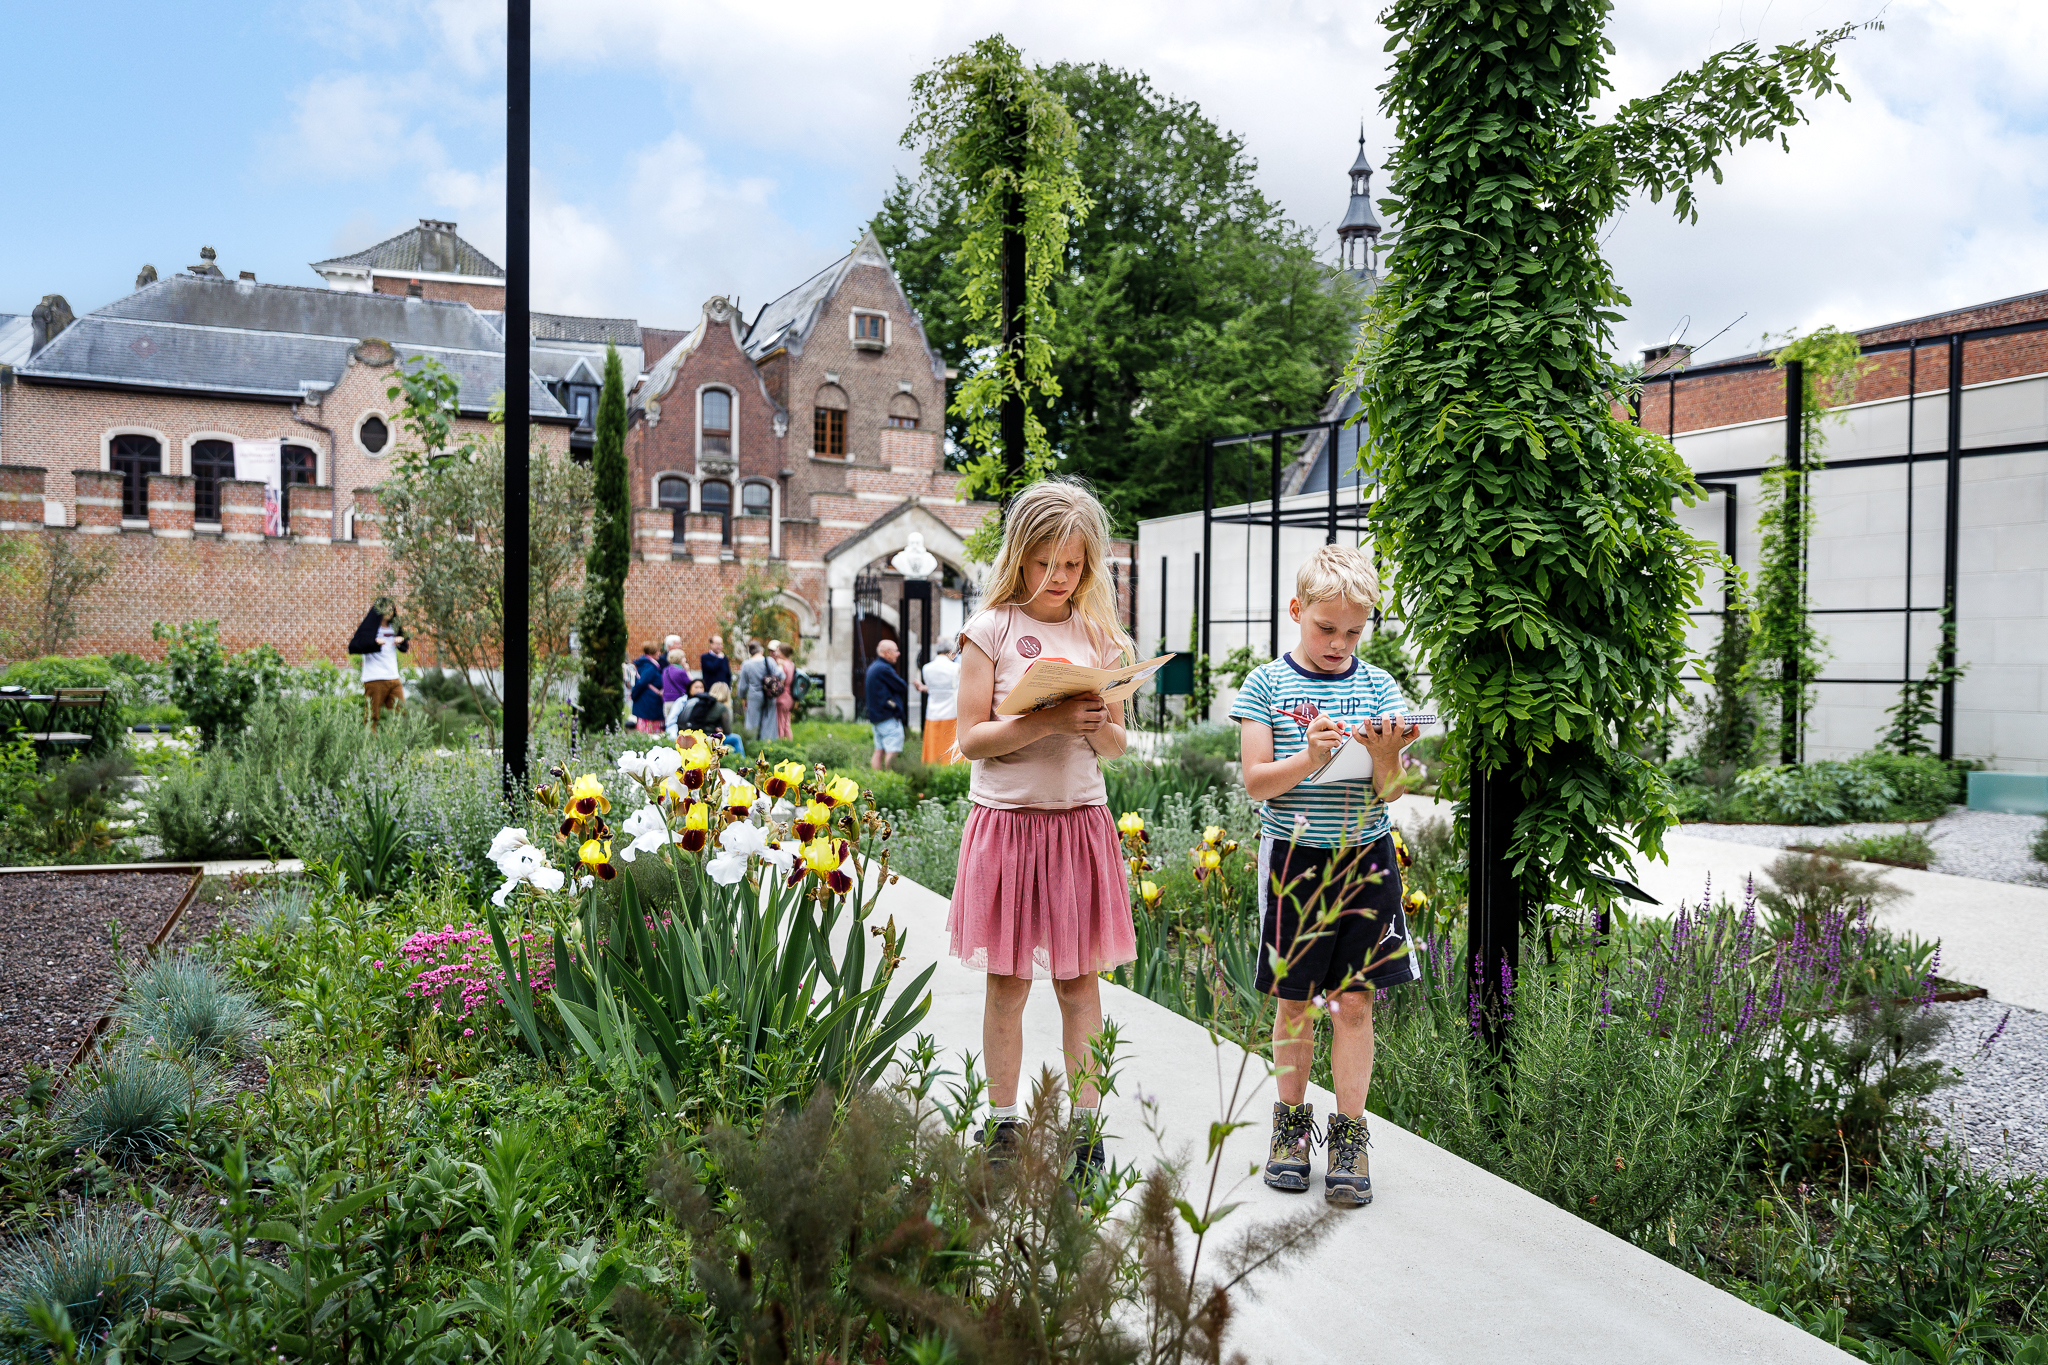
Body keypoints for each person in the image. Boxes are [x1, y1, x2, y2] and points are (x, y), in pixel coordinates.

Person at [947, 477, 1136, 1186]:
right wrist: (1049, 720)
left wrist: (1099, 721)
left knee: (1080, 984)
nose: (1059, 579)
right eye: (1045, 563)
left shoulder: (1097, 636)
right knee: (1007, 982)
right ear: (1019, 557)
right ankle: (1003, 1124)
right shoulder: (989, 629)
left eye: (1073, 565)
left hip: (1079, 826)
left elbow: (1113, 747)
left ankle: (1085, 1130)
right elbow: (970, 739)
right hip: (1009, 828)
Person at [1227, 543, 1421, 1209]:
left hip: (1366, 858)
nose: (1339, 643)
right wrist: (1308, 758)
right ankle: (1289, 1127)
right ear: (1296, 610)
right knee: (1294, 1001)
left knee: (1355, 1002)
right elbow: (1257, 782)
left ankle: (1350, 1134)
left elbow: (1391, 792)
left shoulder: (1379, 687)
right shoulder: (1267, 686)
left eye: (1353, 631)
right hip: (1294, 860)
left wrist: (1388, 755)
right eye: (1325, 628)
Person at [348, 600, 409, 730]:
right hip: (374, 678)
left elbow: (405, 646)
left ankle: (396, 744)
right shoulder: (369, 629)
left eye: (391, 610)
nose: (388, 613)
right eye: (385, 609)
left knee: (400, 713)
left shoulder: (395, 628)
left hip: (393, 677)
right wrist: (374, 643)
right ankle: (369, 746)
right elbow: (354, 646)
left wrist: (401, 641)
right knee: (372, 715)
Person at [864, 640, 908, 770]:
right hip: (888, 716)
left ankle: (876, 778)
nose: (898, 654)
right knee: (892, 751)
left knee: (879, 750)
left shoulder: (874, 667)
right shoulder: (884, 668)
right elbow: (902, 687)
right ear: (887, 653)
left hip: (877, 718)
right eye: (895, 651)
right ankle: (890, 778)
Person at [919, 636, 962, 764]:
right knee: (949, 744)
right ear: (950, 652)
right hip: (951, 711)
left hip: (932, 711)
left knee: (934, 744)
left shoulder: (926, 668)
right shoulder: (955, 668)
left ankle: (932, 764)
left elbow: (931, 687)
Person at [629, 642, 666, 734]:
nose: (659, 654)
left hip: (648, 701)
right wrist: (634, 695)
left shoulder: (647, 664)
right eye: (657, 651)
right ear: (652, 652)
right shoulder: (649, 666)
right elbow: (642, 683)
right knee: (649, 732)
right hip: (648, 703)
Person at [737, 641, 769, 741]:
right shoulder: (767, 662)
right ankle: (766, 743)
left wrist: (743, 698)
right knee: (766, 720)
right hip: (768, 694)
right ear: (761, 650)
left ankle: (752, 743)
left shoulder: (747, 664)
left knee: (752, 722)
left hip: (753, 695)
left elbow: (742, 685)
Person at [660, 649, 694, 735]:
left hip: (666, 701)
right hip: (678, 701)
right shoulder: (681, 672)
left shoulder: (665, 670)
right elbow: (692, 684)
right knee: (677, 728)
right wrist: (687, 671)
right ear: (680, 659)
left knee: (669, 725)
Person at [772, 641, 798, 740]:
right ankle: (789, 742)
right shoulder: (791, 664)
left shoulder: (782, 665)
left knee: (780, 722)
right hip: (789, 696)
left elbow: (781, 680)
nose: (776, 653)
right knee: (787, 722)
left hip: (782, 696)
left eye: (778, 651)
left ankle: (781, 742)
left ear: (782, 652)